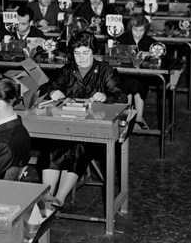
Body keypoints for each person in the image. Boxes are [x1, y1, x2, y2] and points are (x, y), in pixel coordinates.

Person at [39, 31, 127, 209]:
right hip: (66, 127)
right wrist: (51, 92)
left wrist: (106, 96)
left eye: (85, 53)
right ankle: (46, 197)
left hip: (93, 131)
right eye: (77, 53)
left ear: (93, 52)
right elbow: (46, 86)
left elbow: (121, 97)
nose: (81, 58)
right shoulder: (67, 70)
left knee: (78, 147)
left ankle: (60, 197)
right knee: (51, 147)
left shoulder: (106, 71)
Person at [117, 14, 155, 128]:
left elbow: (160, 54)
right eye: (135, 30)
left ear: (145, 30)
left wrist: (151, 54)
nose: (138, 33)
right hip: (124, 74)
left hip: (142, 75)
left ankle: (138, 118)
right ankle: (128, 117)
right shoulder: (121, 39)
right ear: (130, 28)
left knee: (137, 85)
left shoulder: (151, 42)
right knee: (128, 85)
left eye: (141, 30)